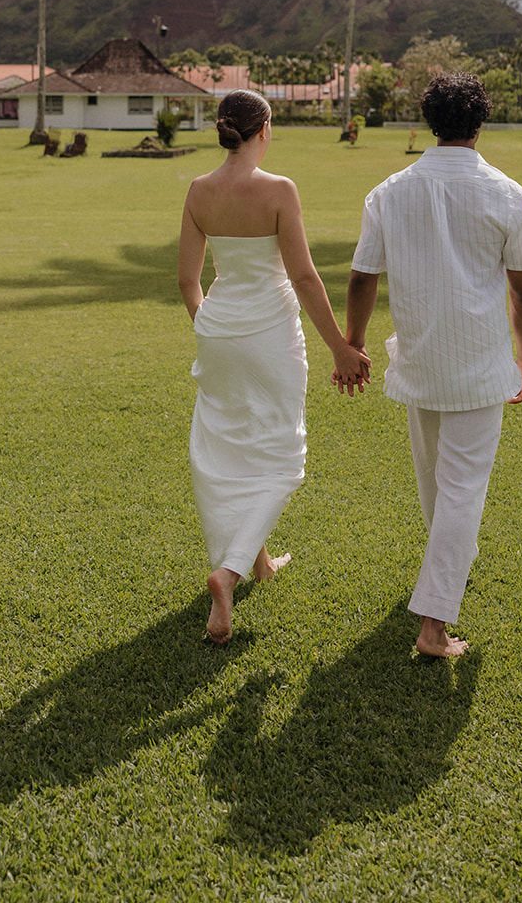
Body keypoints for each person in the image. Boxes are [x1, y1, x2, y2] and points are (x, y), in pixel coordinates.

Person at [342, 72, 522, 658]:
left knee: (438, 487)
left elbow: (361, 277)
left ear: (431, 121)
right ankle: (433, 624)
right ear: (480, 123)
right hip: (479, 363)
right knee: (460, 491)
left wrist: (354, 342)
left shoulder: (389, 190)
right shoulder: (506, 192)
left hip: (421, 360)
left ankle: (443, 577)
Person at [178, 89, 369, 644]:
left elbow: (188, 282)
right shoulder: (279, 190)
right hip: (268, 332)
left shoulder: (198, 190)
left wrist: (209, 325)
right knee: (284, 455)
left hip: (218, 330)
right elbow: (305, 277)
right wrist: (340, 346)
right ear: (263, 131)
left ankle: (257, 561)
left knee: (231, 443)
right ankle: (230, 570)